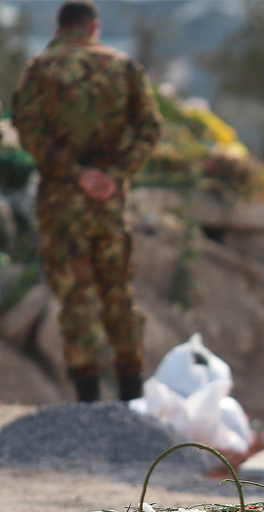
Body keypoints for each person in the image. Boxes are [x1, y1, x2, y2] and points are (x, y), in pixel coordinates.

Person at [12, 0, 161, 402]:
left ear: (60, 29)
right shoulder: (124, 67)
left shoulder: (41, 69)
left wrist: (75, 173)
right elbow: (149, 128)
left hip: (61, 206)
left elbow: (28, 130)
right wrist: (113, 175)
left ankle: (89, 402)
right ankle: (132, 397)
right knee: (118, 295)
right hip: (108, 207)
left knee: (74, 300)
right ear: (93, 27)